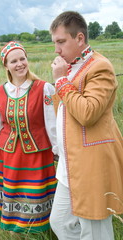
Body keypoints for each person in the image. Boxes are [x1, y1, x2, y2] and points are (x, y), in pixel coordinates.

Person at [49, 11, 123, 240]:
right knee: (60, 222)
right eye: (55, 43)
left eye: (61, 42)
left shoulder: (100, 67)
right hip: (69, 165)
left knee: (95, 232)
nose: (57, 50)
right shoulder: (72, 67)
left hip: (92, 163)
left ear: (79, 38)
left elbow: (87, 113)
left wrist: (61, 81)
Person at [0, 41, 58, 235]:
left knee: (36, 195)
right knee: (13, 193)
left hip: (37, 155)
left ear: (27, 59)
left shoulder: (43, 89)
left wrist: (60, 151)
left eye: (22, 58)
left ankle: (39, 232)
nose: (19, 64)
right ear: (6, 66)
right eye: (13, 61)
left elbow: (52, 123)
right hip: (6, 156)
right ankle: (13, 232)